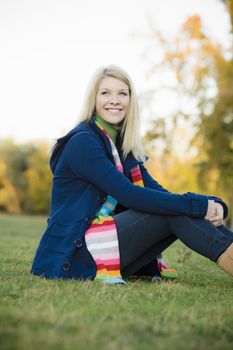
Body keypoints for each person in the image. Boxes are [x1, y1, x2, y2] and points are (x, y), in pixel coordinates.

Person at [31, 65, 233, 284]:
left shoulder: (123, 149)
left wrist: (212, 204)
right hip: (73, 254)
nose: (114, 100)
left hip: (104, 248)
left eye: (122, 93)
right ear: (94, 99)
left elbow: (160, 194)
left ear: (130, 100)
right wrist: (201, 205)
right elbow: (130, 195)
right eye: (105, 92)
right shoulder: (84, 142)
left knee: (174, 207)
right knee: (173, 210)